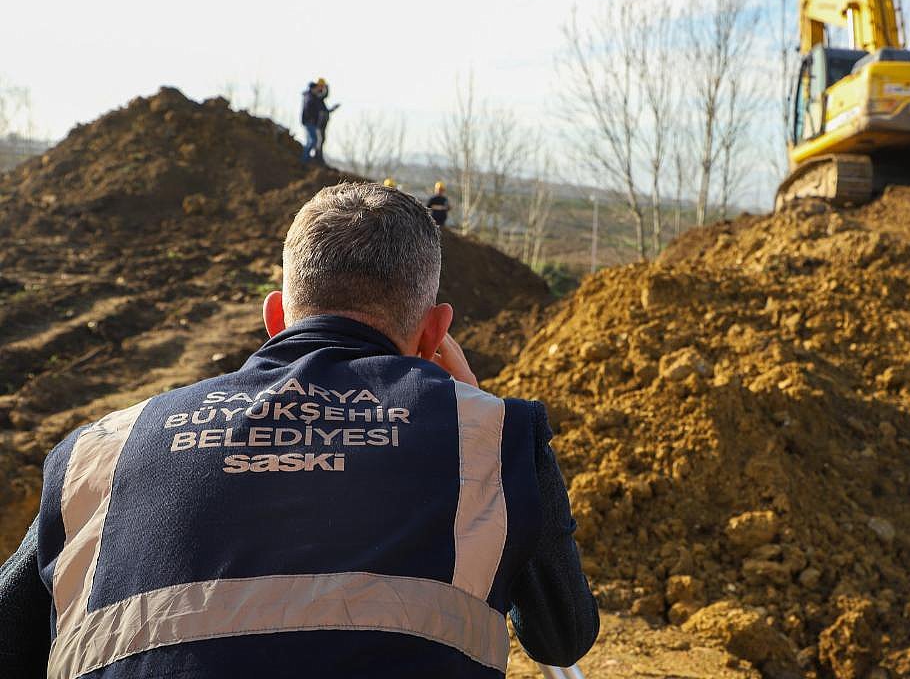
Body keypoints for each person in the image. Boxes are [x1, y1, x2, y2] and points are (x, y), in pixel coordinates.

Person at [0, 182, 598, 677]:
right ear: (434, 331)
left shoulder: (100, 451)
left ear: (276, 318)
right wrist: (470, 406)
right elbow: (562, 638)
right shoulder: (493, 438)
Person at [300, 77, 328, 164]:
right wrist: (311, 119)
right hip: (309, 122)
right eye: (316, 88)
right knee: (313, 140)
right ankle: (304, 159)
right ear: (313, 88)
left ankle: (306, 159)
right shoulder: (310, 97)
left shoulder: (313, 97)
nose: (318, 90)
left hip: (312, 122)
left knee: (311, 140)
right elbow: (309, 108)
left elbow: (323, 96)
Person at [315, 83, 339, 167]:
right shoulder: (317, 99)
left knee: (322, 140)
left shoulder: (321, 103)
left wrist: (333, 108)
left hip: (323, 123)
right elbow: (325, 94)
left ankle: (319, 158)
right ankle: (318, 158)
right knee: (320, 140)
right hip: (319, 124)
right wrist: (326, 88)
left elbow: (327, 111)